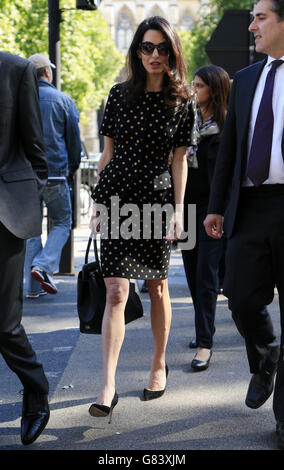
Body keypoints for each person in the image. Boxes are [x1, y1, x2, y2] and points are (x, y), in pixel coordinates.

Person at [88, 16, 193, 420]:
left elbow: (180, 161)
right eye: (147, 47)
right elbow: (106, 155)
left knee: (157, 287)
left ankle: (157, 364)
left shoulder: (182, 102)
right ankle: (108, 384)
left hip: (155, 202)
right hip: (115, 197)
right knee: (116, 291)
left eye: (162, 48)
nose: (154, 55)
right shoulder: (117, 95)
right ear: (136, 51)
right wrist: (98, 204)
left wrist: (178, 212)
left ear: (172, 52)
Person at [203, 0, 284, 449]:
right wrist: (216, 207)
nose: (252, 25)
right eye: (252, 17)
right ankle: (267, 353)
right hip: (250, 206)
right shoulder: (247, 79)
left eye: (261, 17)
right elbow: (230, 151)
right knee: (239, 295)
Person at [0, 52, 50, 445]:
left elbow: (36, 150)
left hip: (4, 212)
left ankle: (35, 387)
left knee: (4, 323)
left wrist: (28, 196)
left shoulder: (15, 69)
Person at [182, 65, 231, 371]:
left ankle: (204, 344)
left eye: (199, 86)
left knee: (206, 276)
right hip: (188, 209)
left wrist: (222, 212)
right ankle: (205, 329)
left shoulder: (225, 129)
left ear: (214, 89)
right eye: (194, 85)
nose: (193, 90)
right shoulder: (189, 124)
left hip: (213, 213)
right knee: (191, 274)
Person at [24, 53, 81, 297]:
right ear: (48, 72)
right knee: (62, 222)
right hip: (56, 174)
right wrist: (72, 167)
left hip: (26, 177)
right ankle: (44, 265)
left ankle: (33, 288)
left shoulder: (19, 101)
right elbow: (73, 142)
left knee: (31, 229)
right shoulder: (63, 100)